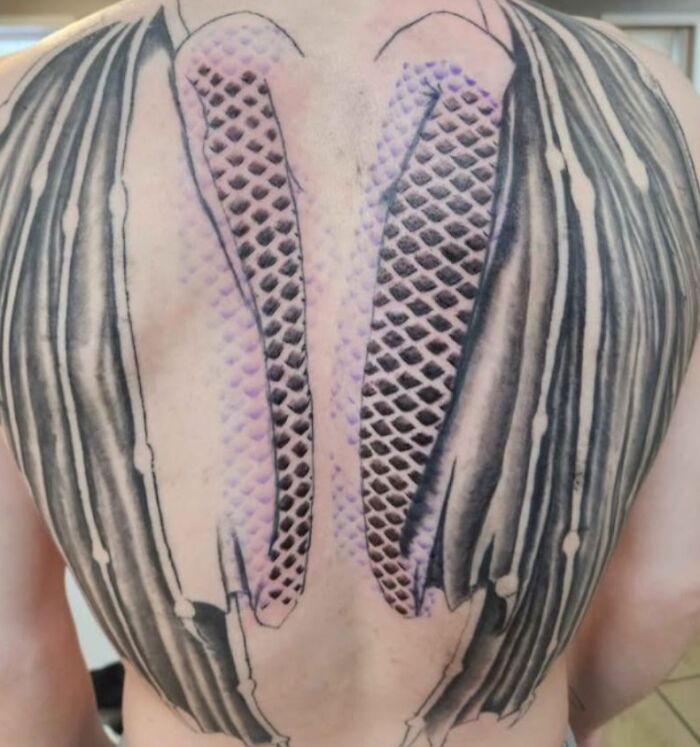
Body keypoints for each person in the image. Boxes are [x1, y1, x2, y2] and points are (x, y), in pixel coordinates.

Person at [0, 1, 699, 746]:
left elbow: (14, 653)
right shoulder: (657, 107)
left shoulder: (21, 111)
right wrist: (557, 718)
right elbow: (667, 589)